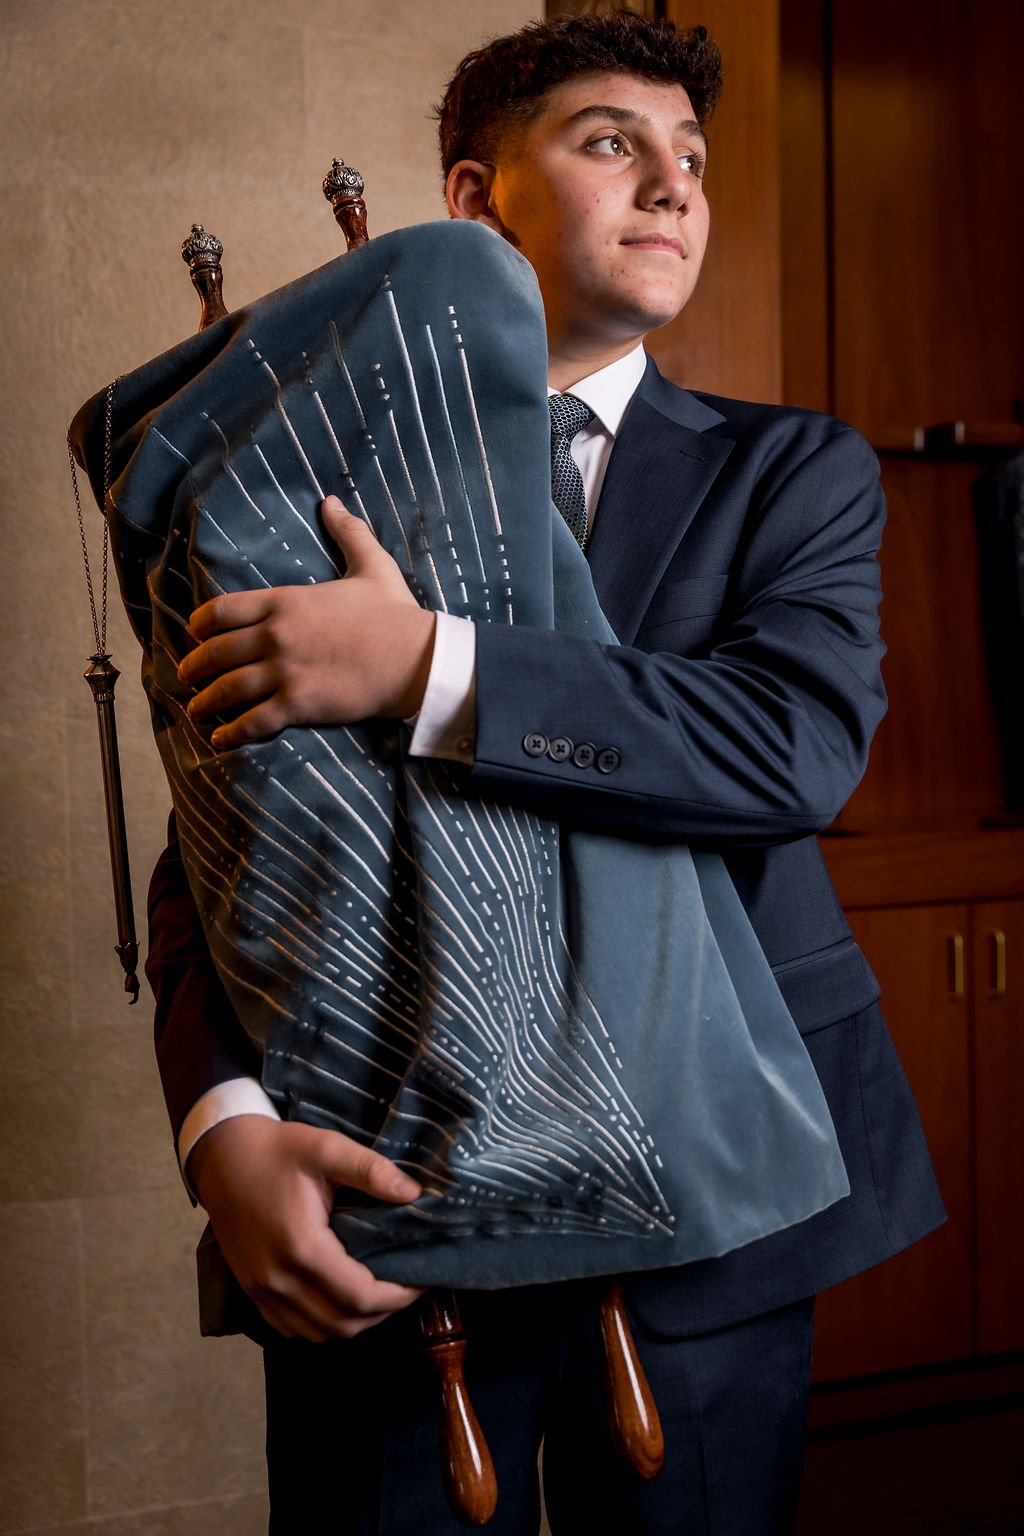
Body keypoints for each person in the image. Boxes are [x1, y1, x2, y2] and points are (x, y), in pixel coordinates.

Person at [146, 11, 944, 1532]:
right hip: (386, 1186)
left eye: (692, 156)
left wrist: (426, 667)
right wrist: (224, 1127)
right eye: (609, 143)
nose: (673, 184)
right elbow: (219, 828)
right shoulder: (305, 486)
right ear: (470, 199)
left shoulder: (793, 471)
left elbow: (791, 750)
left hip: (720, 1200)